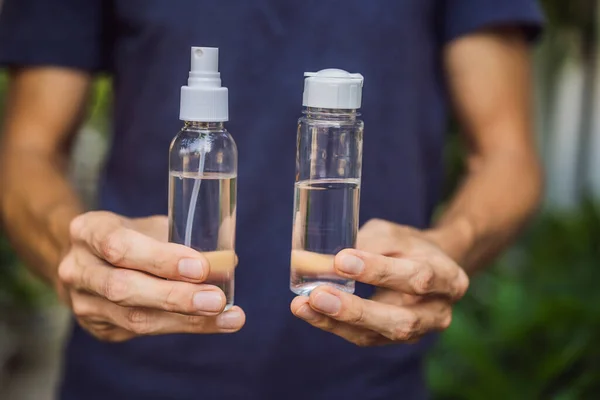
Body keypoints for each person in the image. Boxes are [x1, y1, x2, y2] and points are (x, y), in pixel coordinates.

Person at [0, 0, 544, 399]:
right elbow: (27, 149)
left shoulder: (329, 126)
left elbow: (508, 156)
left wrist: (449, 245)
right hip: (132, 374)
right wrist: (76, 256)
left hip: (366, 380)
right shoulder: (197, 141)